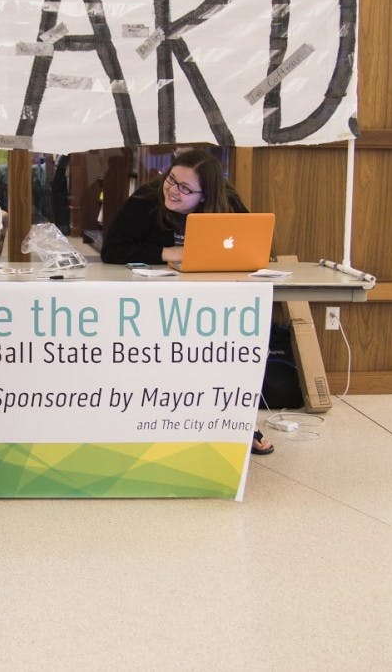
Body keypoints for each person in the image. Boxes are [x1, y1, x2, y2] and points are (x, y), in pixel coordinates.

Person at [99, 148, 274, 455]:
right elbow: (112, 250)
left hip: (213, 299)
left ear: (205, 196)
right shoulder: (145, 200)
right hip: (156, 303)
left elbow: (251, 248)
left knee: (229, 352)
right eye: (171, 180)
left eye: (185, 189)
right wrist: (167, 253)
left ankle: (240, 423)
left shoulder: (227, 203)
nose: (173, 190)